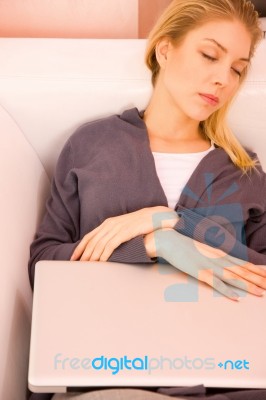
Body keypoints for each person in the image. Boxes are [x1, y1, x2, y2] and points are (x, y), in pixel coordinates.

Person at [29, 0, 266, 399]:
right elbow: (44, 265)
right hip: (109, 377)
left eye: (237, 69)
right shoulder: (93, 145)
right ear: (165, 48)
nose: (223, 78)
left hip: (228, 383)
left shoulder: (244, 171)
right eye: (209, 55)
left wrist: (174, 224)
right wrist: (151, 245)